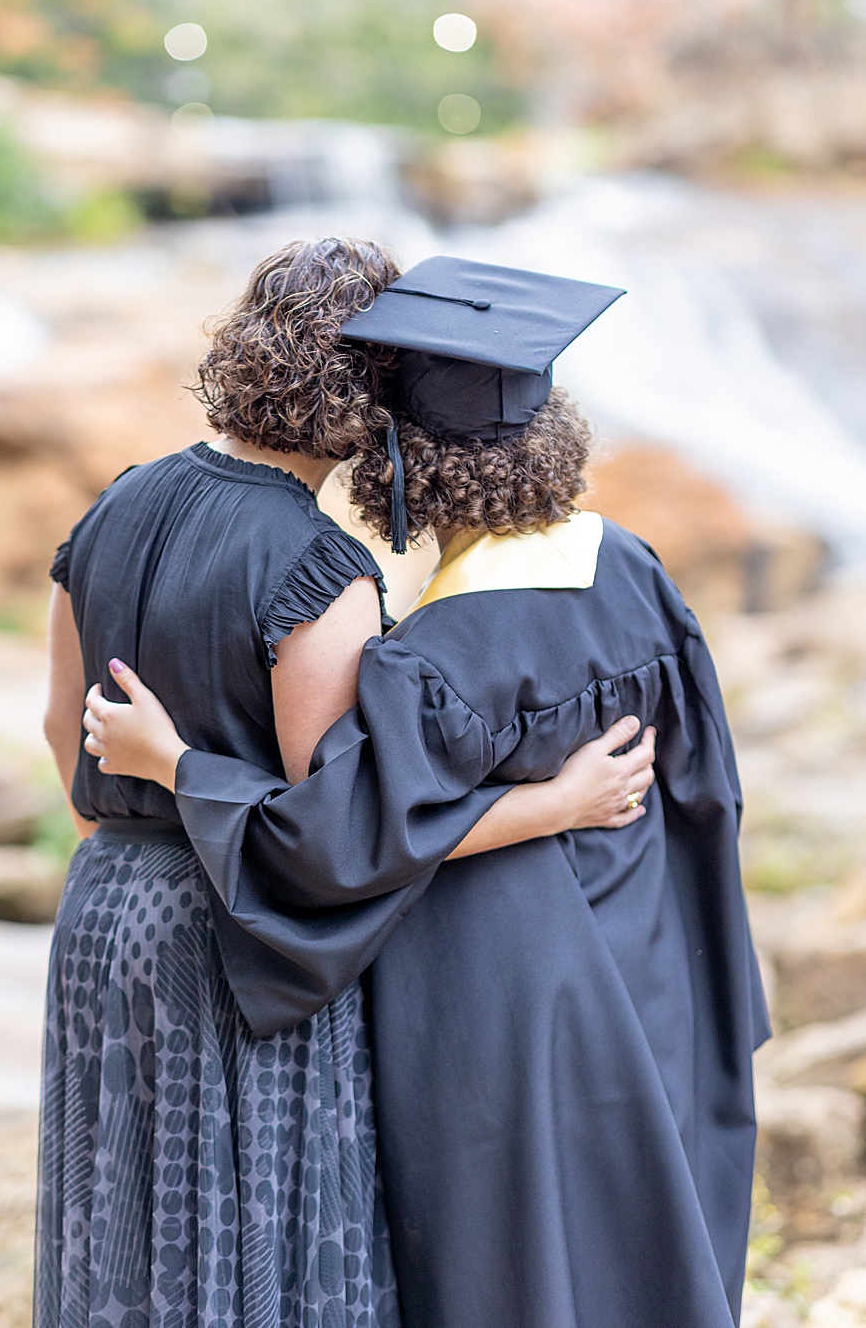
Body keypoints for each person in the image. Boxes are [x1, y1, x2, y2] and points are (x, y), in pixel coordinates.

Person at [81, 255, 765, 1328]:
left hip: (496, 993)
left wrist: (176, 764)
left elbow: (332, 839)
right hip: (650, 957)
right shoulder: (633, 568)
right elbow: (705, 790)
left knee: (518, 1268)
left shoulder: (430, 657)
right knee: (634, 1243)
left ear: (400, 464)